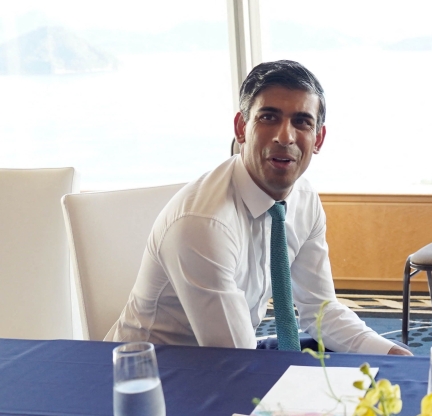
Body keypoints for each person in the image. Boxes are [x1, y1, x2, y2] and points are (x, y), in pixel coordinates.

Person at [108, 61, 409, 355]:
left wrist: (393, 353)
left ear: (318, 138)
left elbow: (320, 311)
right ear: (242, 128)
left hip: (231, 354)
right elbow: (238, 359)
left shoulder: (304, 199)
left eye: (301, 122)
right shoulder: (204, 223)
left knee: (391, 362)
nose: (285, 136)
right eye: (268, 117)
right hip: (154, 373)